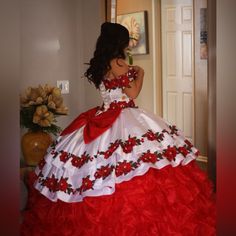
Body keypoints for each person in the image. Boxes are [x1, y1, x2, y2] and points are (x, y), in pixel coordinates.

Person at [21, 22, 216, 236]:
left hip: (102, 113)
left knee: (99, 166)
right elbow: (131, 94)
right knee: (141, 164)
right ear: (119, 42)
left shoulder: (101, 63)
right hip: (122, 114)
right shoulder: (118, 62)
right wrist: (140, 73)